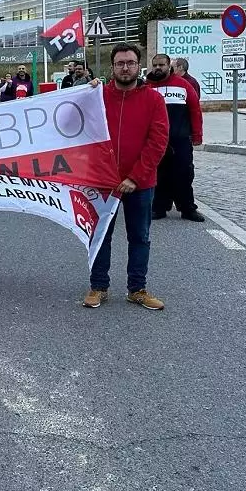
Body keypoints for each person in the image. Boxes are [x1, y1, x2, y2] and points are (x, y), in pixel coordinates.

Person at [84, 44, 169, 311]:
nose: (125, 68)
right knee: (99, 236)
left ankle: (137, 289)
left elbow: (158, 142)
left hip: (140, 184)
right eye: (120, 63)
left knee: (140, 236)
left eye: (130, 63)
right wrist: (84, 94)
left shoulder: (153, 100)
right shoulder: (96, 97)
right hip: (102, 182)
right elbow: (69, 125)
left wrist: (135, 177)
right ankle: (98, 286)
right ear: (112, 67)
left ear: (138, 66)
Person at [145, 54, 205, 222]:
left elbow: (195, 110)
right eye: (155, 65)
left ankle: (187, 208)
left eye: (161, 65)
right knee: (159, 175)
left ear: (168, 66)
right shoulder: (146, 87)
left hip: (180, 139)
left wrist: (197, 135)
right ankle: (159, 207)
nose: (158, 68)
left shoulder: (183, 85)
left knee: (184, 174)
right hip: (155, 141)